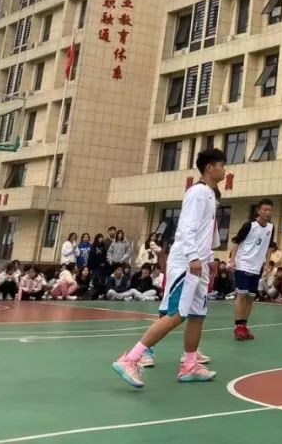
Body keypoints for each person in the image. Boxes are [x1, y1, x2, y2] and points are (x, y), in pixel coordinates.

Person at [112, 148, 226, 388]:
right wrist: (193, 257)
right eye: (221, 165)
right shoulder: (197, 192)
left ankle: (189, 366)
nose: (224, 170)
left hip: (200, 263)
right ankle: (130, 359)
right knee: (176, 313)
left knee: (197, 314)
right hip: (187, 263)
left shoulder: (210, 195)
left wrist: (209, 259)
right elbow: (186, 228)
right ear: (209, 168)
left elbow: (205, 235)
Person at [228, 198, 274, 341]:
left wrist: (267, 264)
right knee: (241, 295)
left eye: (270, 210)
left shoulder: (271, 227)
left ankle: (244, 325)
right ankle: (238, 327)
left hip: (257, 266)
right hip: (243, 264)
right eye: (265, 209)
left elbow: (269, 246)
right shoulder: (249, 225)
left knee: (250, 297)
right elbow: (236, 241)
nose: (267, 212)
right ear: (259, 210)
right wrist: (232, 259)